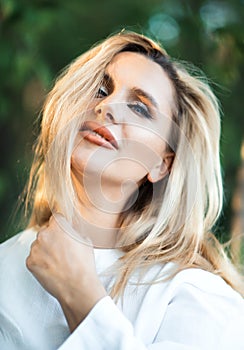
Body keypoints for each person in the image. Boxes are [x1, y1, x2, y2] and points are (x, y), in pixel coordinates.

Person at [0, 31, 243, 350]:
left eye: (141, 108)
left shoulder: (198, 298)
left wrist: (82, 298)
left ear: (161, 164)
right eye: (100, 89)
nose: (107, 106)